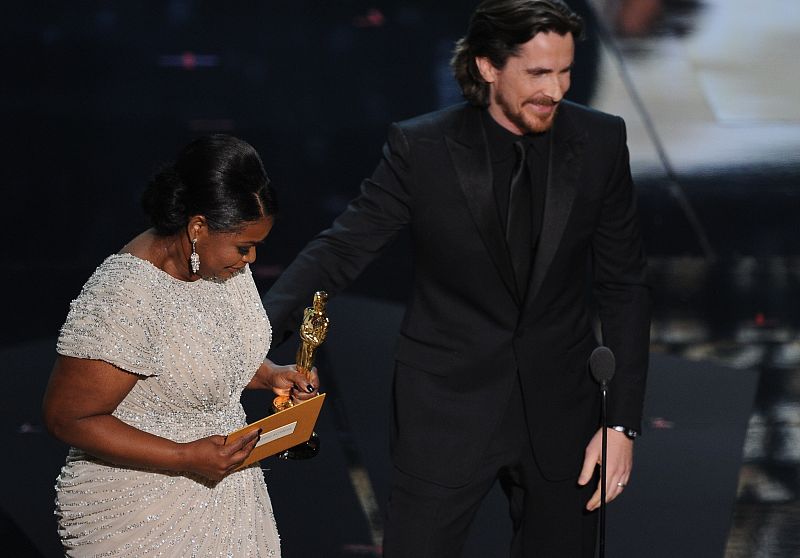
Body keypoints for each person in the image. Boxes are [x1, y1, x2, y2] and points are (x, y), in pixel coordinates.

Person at [264, 1, 650, 556]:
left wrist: (621, 425)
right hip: (445, 409)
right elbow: (341, 251)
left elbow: (624, 286)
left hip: (563, 413)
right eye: (538, 73)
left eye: (565, 71)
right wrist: (251, 334)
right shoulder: (422, 147)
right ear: (488, 66)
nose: (556, 90)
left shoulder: (600, 141)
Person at [42, 134, 319, 557]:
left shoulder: (218, 264)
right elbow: (67, 418)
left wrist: (270, 375)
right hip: (141, 511)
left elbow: (202, 351)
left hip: (228, 496)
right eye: (244, 247)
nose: (251, 260)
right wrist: (185, 456)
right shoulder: (126, 296)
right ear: (198, 227)